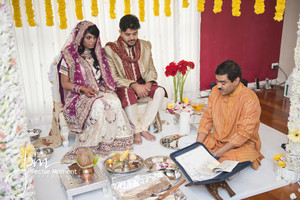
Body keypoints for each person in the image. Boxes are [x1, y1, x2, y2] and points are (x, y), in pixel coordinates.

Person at [51, 21, 133, 163]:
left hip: (97, 91)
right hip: (78, 94)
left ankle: (114, 141)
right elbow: (65, 83)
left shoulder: (98, 54)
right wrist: (82, 89)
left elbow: (103, 78)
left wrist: (106, 86)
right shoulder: (69, 56)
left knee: (114, 101)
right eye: (89, 37)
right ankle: (93, 145)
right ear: (80, 37)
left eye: (95, 38)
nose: (92, 41)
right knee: (99, 106)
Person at [104, 14, 167, 145]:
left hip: (143, 84)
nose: (132, 37)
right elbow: (113, 77)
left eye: (135, 33)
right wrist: (133, 85)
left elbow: (151, 69)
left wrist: (148, 84)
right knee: (129, 93)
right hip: (124, 86)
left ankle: (143, 127)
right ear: (120, 32)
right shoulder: (110, 50)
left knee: (160, 91)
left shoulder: (145, 46)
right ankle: (137, 130)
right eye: (128, 34)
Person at [196, 60, 264, 170]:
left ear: (236, 81)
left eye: (223, 83)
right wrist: (198, 145)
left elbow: (243, 134)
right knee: (199, 149)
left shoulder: (249, 100)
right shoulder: (215, 91)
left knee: (225, 161)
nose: (218, 86)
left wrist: (216, 154)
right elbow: (207, 117)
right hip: (218, 139)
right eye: (217, 81)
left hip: (243, 144)